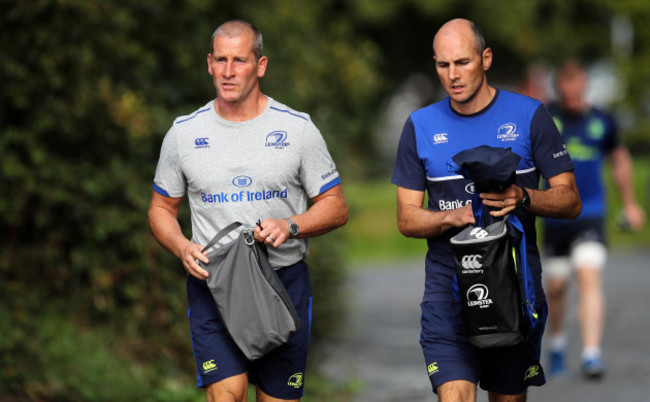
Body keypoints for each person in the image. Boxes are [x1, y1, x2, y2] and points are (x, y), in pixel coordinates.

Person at [148, 20, 348, 402]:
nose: (227, 71)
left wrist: (291, 225)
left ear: (260, 65)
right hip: (215, 284)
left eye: (239, 60)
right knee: (227, 395)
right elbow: (161, 207)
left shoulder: (298, 130)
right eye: (220, 60)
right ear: (208, 63)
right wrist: (180, 246)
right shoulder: (183, 134)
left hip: (282, 283)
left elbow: (336, 206)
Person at [391, 19, 581, 402]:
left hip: (514, 288)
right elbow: (407, 218)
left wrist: (523, 197)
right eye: (443, 65)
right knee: (455, 395)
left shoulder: (529, 116)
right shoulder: (420, 126)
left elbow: (570, 199)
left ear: (486, 58)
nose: (453, 75)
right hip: (448, 293)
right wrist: (449, 216)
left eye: (462, 62)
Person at [543, 61, 645, 379]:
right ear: (560, 87)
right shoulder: (547, 118)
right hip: (556, 216)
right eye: (566, 87)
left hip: (591, 213)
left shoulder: (602, 120)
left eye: (577, 87)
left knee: (588, 275)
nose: (572, 94)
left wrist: (630, 204)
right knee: (557, 286)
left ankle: (591, 354)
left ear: (584, 86)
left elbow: (619, 158)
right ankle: (557, 342)